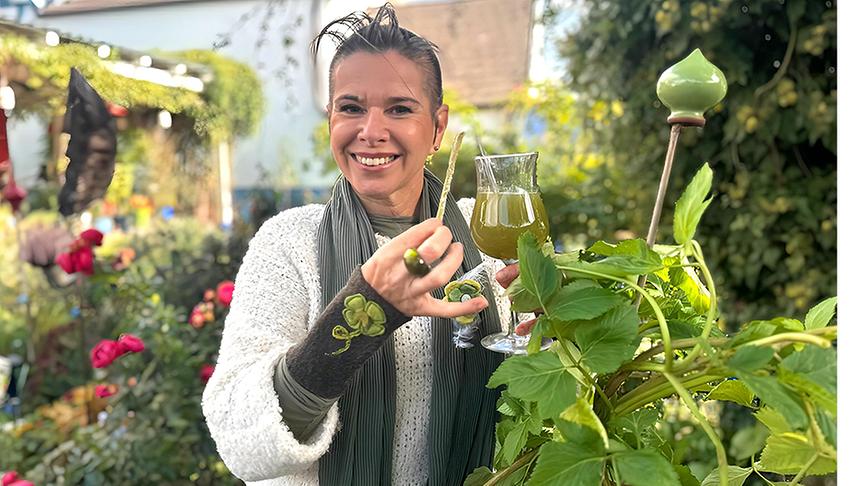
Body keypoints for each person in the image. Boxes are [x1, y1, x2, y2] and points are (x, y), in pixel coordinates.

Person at [202, 4, 519, 485]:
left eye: (399, 108)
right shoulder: (289, 243)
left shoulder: (489, 233)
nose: (372, 131)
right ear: (331, 118)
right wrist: (366, 306)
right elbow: (239, 438)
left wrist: (549, 342)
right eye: (351, 107)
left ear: (437, 127)